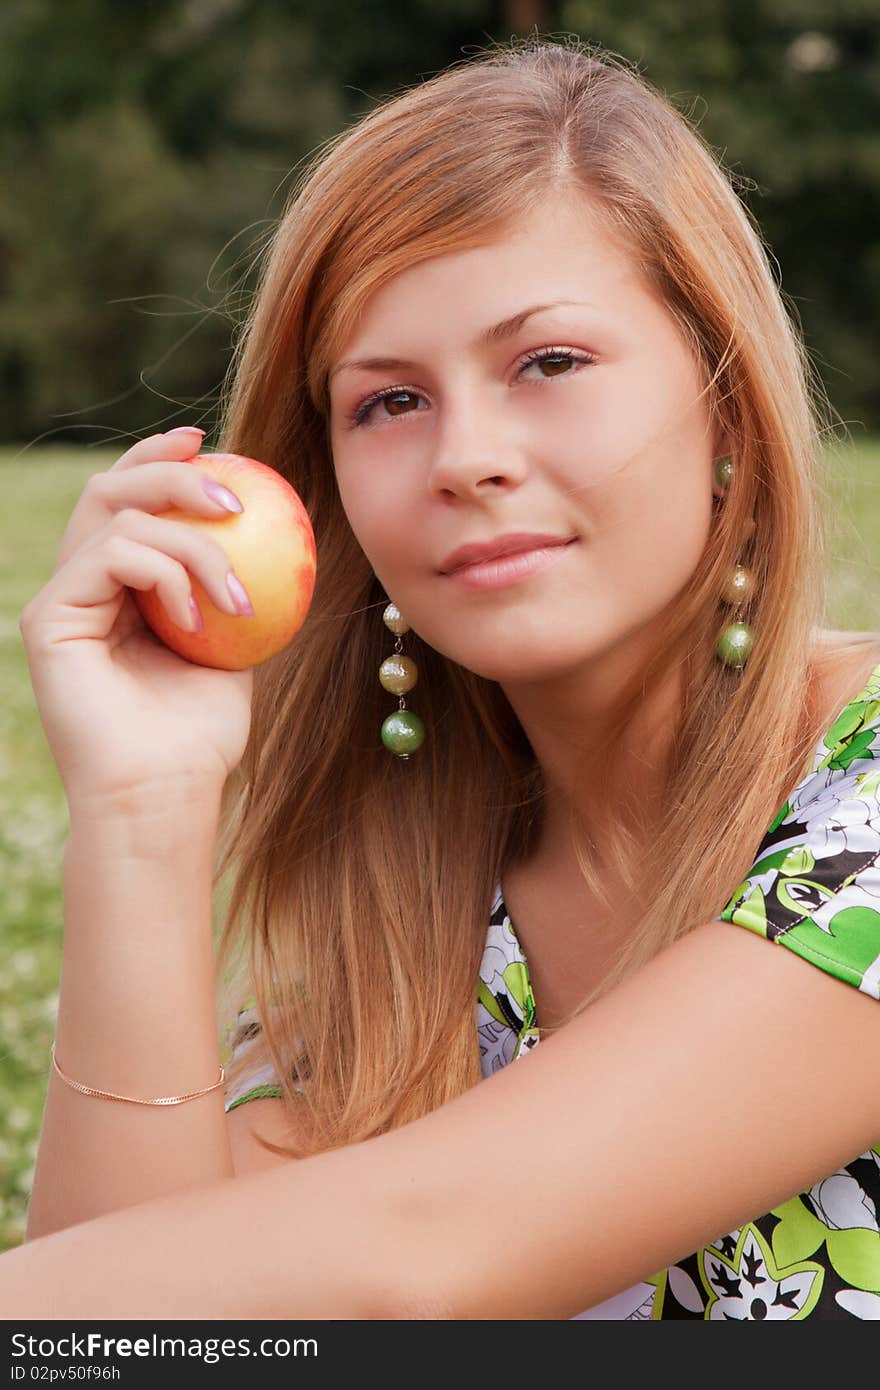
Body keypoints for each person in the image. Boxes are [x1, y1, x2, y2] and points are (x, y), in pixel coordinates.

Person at [3, 36, 879, 1321]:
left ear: (727, 412)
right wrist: (142, 814)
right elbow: (153, 1344)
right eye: (389, 402)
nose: (466, 455)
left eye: (549, 364)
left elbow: (416, 1255)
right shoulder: (404, 923)